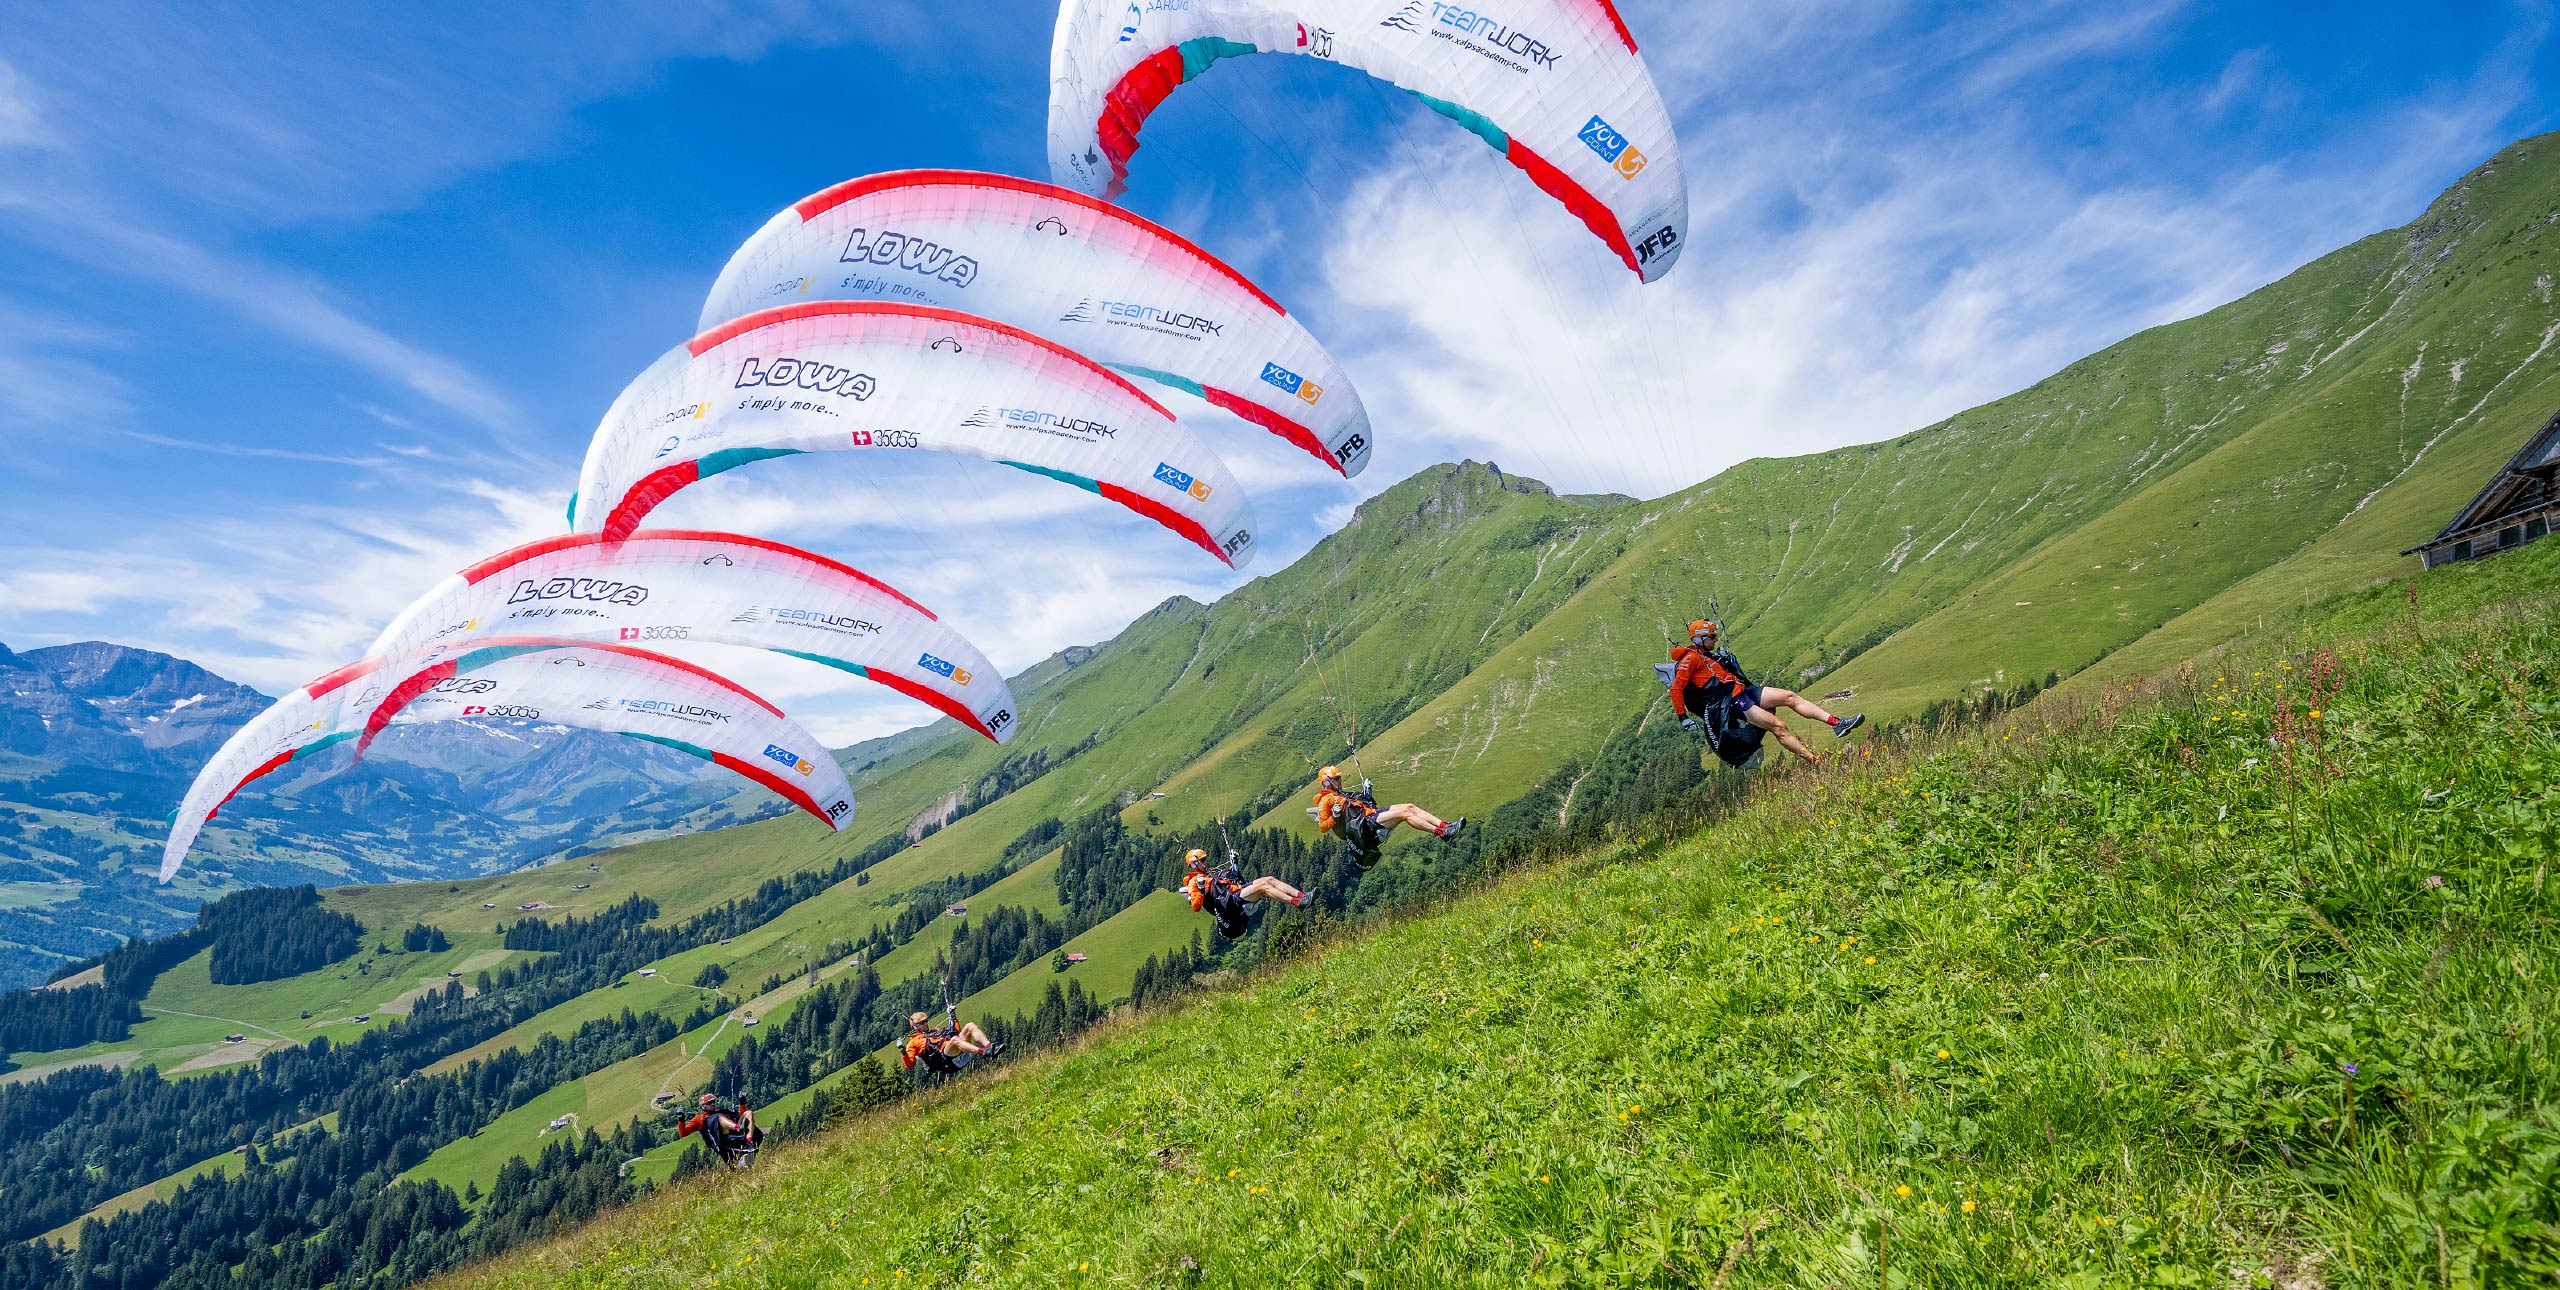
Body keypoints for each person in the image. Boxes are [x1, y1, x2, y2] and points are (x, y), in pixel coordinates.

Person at [1668, 620, 1862, 766]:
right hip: (1734, 701)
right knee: (1778, 726)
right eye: (1712, 637)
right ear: (1700, 638)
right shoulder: (1690, 658)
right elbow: (1676, 688)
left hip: (1744, 690)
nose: (1715, 639)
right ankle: (1817, 762)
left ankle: (1838, 724)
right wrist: (1682, 717)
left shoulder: (1706, 654)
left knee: (1790, 696)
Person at [1311, 764, 1462, 870]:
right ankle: (1442, 833)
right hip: (1365, 828)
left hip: (1370, 817)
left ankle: (1445, 826)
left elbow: (1365, 805)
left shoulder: (1343, 795)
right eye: (1337, 778)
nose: (1340, 780)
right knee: (1405, 814)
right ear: (1327, 782)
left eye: (1339, 777)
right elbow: (1323, 827)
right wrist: (1335, 816)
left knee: (1409, 806)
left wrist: (1366, 793)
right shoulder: (1325, 800)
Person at [1180, 847, 1310, 938]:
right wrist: (1201, 888)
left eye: (1205, 859)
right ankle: (1298, 903)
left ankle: (1303, 896)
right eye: (1202, 860)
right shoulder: (1194, 882)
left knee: (1268, 879)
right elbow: (1196, 907)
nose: (1206, 861)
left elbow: (1234, 879)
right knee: (1263, 887)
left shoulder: (1210, 874)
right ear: (1194, 864)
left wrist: (1234, 864)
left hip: (1234, 894)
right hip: (1228, 903)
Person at [902, 1009, 999, 1075]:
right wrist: (903, 1052)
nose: (926, 1024)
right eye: (923, 1023)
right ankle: (984, 1052)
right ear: (915, 1026)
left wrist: (953, 1016)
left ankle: (990, 1047)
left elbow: (955, 1031)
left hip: (954, 1051)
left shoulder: (935, 1030)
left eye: (926, 1021)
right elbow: (909, 1065)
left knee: (970, 1026)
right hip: (944, 1062)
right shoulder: (913, 1042)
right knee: (954, 1040)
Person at [677, 1092, 761, 1164]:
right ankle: (737, 1128)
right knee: (718, 1117)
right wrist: (681, 1119)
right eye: (709, 1103)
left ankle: (749, 1143)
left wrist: (742, 1103)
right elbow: (683, 1133)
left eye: (713, 1101)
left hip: (735, 1135)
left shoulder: (721, 1111)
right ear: (703, 1106)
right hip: (722, 1140)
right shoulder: (699, 1119)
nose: (713, 1104)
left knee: (748, 1113)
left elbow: (740, 1117)